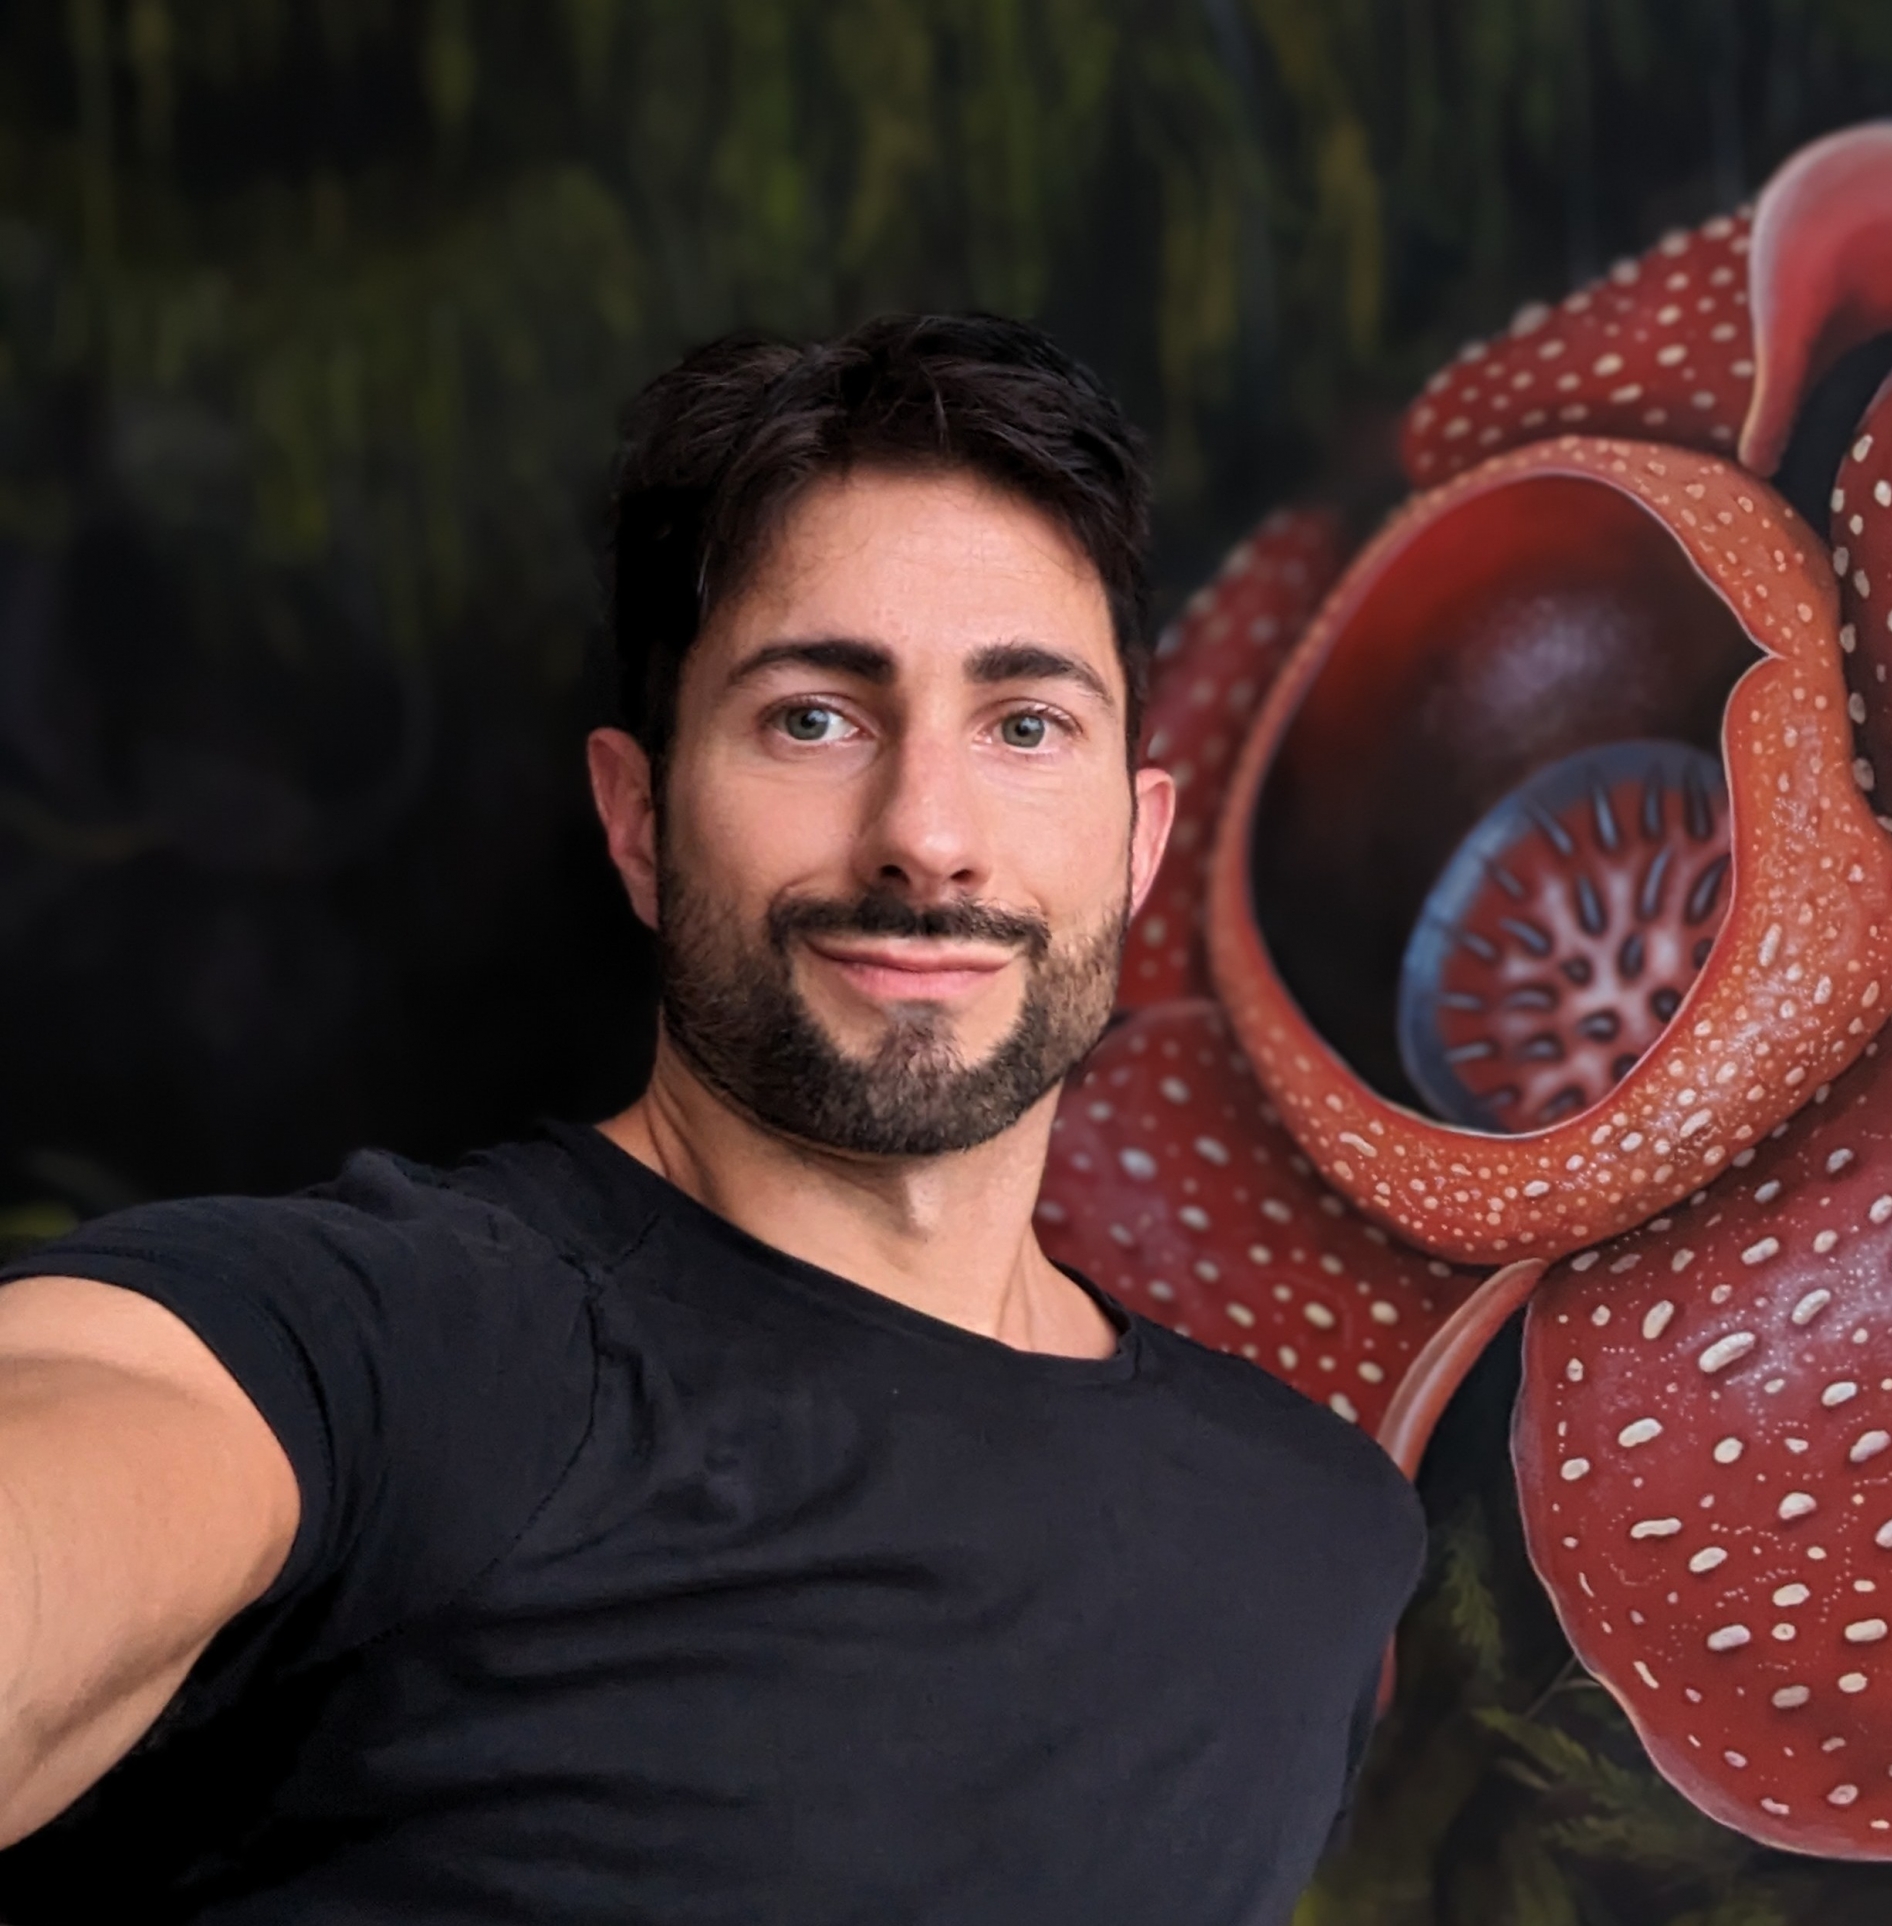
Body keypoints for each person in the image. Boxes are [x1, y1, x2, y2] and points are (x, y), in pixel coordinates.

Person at [0, 314, 1425, 1924]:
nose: (926, 836)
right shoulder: (419, 1352)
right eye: (815, 715)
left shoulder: (1314, 1549)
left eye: (1025, 725)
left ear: (1139, 839)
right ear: (638, 819)